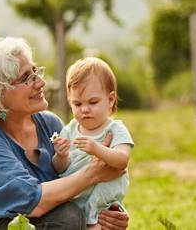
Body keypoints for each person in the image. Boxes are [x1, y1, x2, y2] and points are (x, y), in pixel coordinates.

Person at [0, 37, 129, 230]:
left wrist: (106, 211)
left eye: (35, 71)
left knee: (72, 214)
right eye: (27, 77)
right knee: (66, 217)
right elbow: (34, 202)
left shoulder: (50, 124)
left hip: (22, 222)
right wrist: (94, 173)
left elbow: (71, 185)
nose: (40, 82)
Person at [51, 57, 134, 230]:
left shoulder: (115, 129)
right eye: (77, 103)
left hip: (102, 201)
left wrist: (97, 149)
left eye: (93, 102)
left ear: (110, 100)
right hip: (75, 198)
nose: (85, 109)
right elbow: (60, 169)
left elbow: (122, 160)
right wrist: (61, 155)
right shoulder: (69, 130)